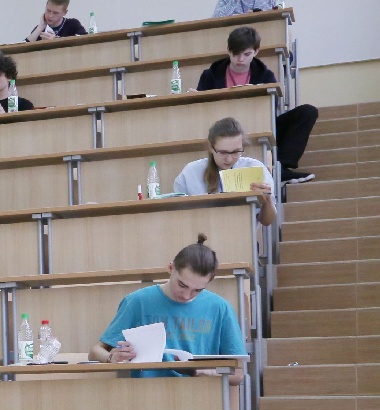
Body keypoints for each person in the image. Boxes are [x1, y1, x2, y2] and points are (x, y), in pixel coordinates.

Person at [91, 235, 246, 384]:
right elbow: (95, 351)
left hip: (200, 392)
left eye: (197, 290)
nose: (186, 295)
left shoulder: (220, 308)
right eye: (182, 285)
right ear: (171, 268)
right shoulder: (137, 302)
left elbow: (238, 375)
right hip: (147, 392)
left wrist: (199, 372)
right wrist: (112, 358)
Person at [195, 25, 319, 183]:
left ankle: (281, 169)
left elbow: (271, 108)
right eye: (236, 54)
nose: (241, 59)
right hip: (222, 132)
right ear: (228, 50)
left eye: (246, 54)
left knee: (307, 112)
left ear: (256, 51)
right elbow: (202, 109)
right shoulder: (210, 75)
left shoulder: (266, 76)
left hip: (260, 125)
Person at [172, 117, 277, 226]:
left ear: (243, 147)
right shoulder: (190, 173)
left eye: (236, 152)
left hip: (242, 232)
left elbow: (267, 221)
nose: (229, 159)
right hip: (199, 232)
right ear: (211, 147)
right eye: (223, 152)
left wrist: (267, 201)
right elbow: (179, 217)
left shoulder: (254, 168)